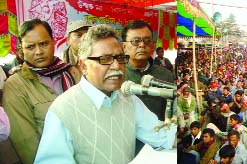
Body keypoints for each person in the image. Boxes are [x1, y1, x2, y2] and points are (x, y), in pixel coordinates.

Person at [34, 24, 176, 163]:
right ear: (83, 66)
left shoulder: (128, 99)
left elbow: (162, 136)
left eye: (120, 58)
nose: (116, 66)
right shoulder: (63, 110)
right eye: (105, 59)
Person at [2, 19, 81, 164]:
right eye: (30, 47)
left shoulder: (72, 72)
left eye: (44, 44)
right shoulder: (15, 85)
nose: (38, 52)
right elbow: (27, 144)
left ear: (53, 42)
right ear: (21, 50)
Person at [121, 20, 174, 121]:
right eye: (135, 41)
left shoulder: (166, 75)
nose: (142, 45)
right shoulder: (118, 75)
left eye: (147, 40)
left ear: (152, 45)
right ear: (124, 47)